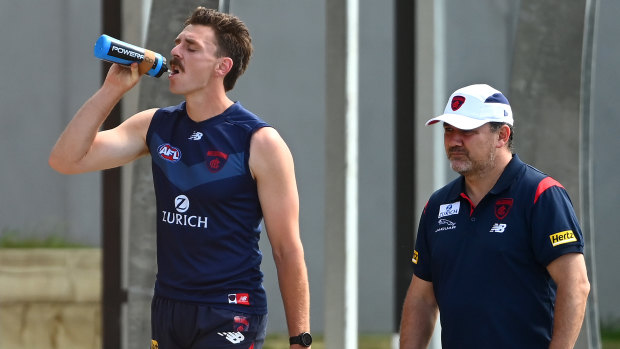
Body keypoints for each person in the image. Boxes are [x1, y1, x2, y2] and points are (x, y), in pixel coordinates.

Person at [49, 7, 312, 349]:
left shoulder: (260, 142)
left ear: (222, 66)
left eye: (191, 47)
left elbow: (286, 249)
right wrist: (112, 90)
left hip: (231, 310)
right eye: (176, 43)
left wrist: (300, 339)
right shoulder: (155, 125)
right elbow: (66, 160)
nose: (175, 51)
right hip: (169, 309)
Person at [399, 84, 590, 349]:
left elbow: (575, 285)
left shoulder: (541, 195)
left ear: (502, 135)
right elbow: (422, 298)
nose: (454, 141)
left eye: (466, 131)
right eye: (448, 130)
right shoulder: (437, 205)